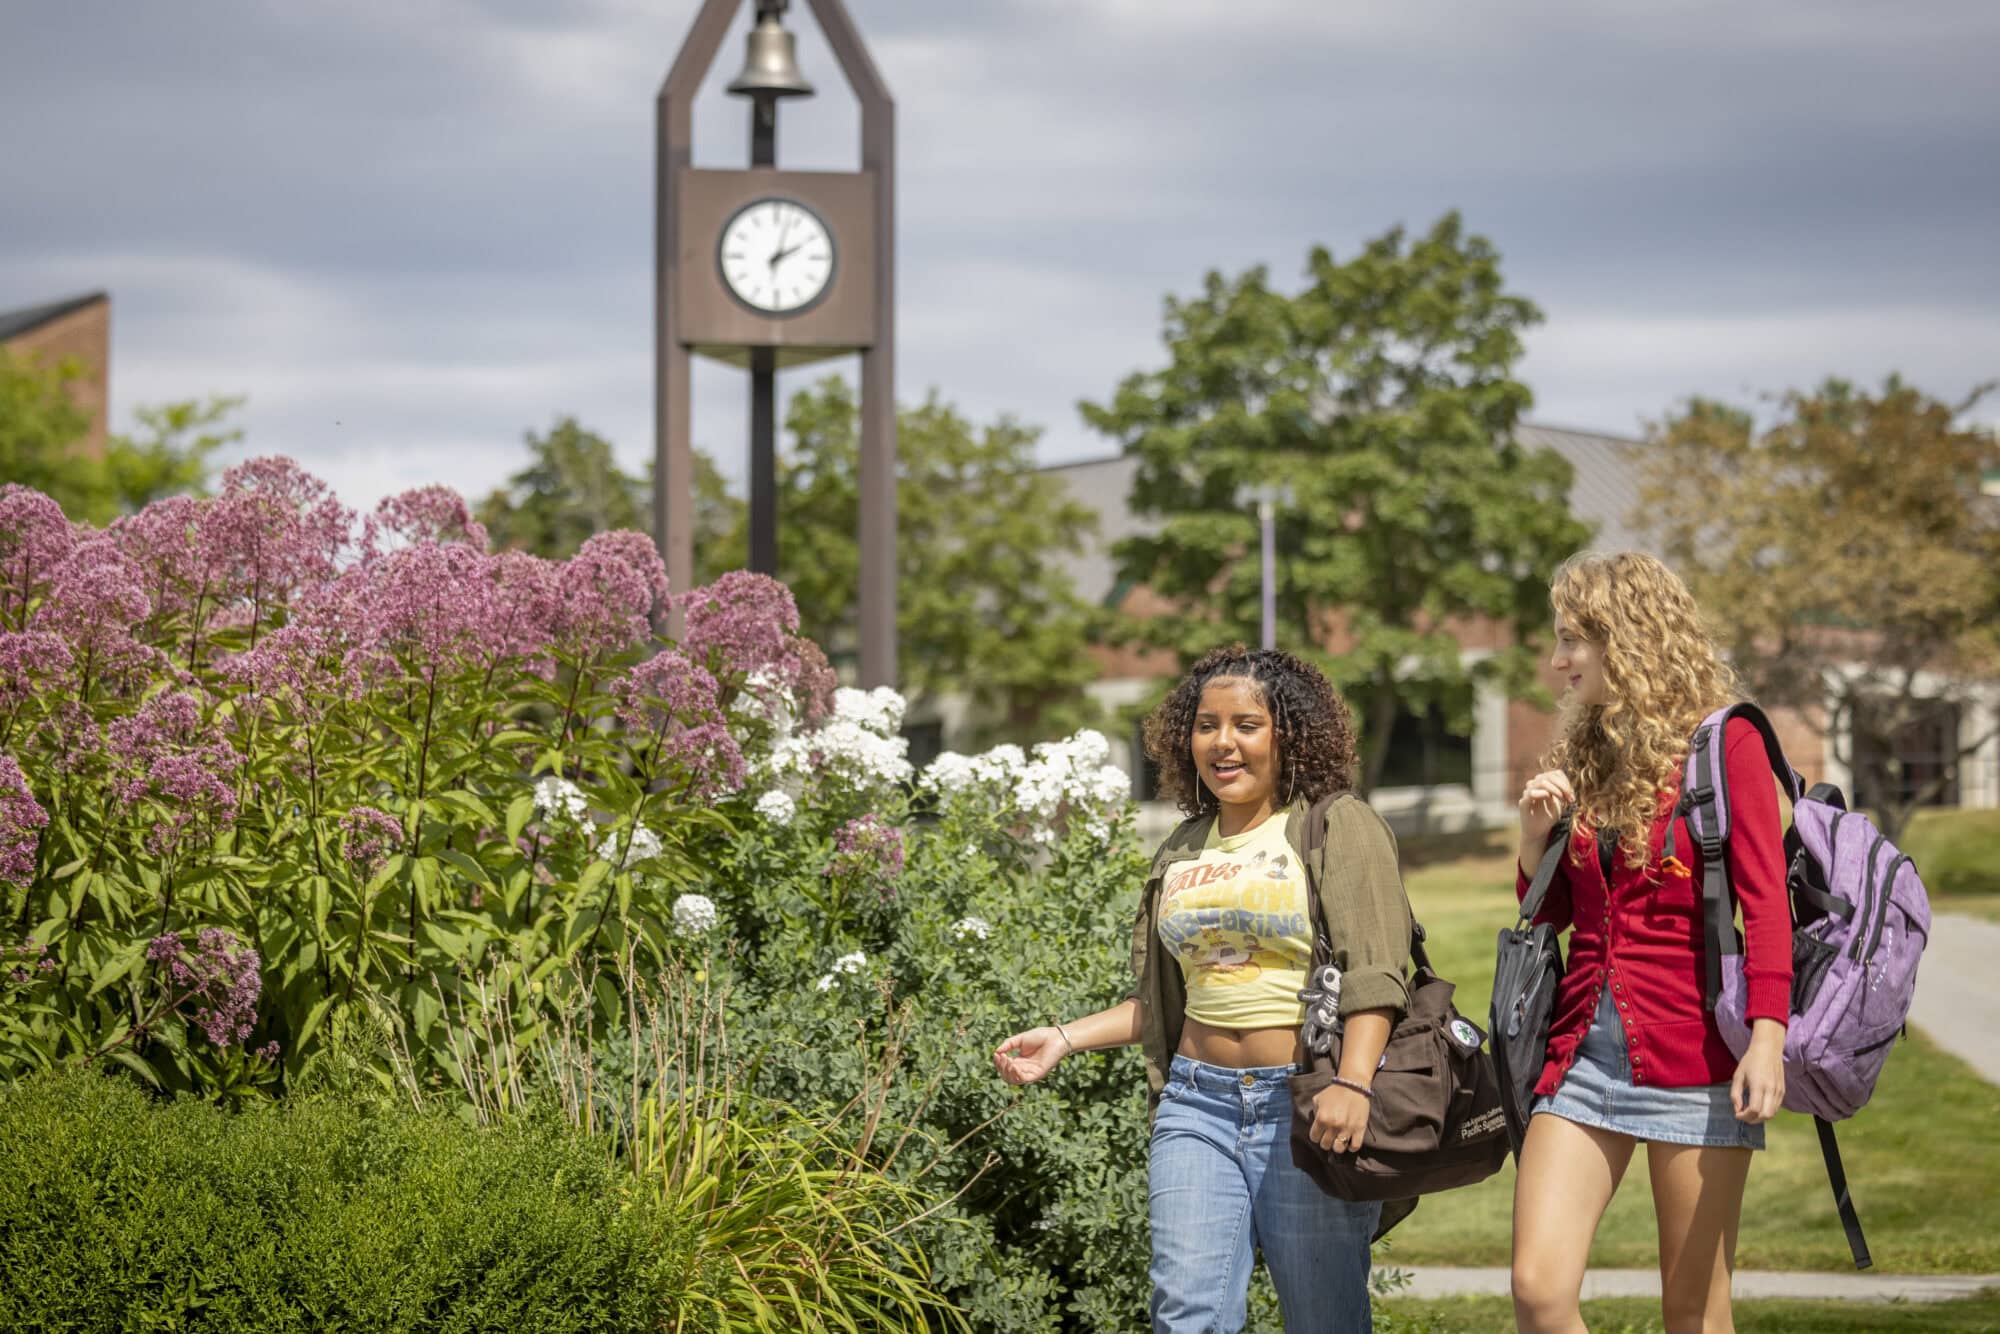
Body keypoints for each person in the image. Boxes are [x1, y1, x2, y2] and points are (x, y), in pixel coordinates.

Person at [994, 645, 1414, 1333]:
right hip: (1195, 1103)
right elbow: (1167, 1000)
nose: (1223, 743)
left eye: (1246, 724)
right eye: (1206, 725)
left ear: (1290, 732)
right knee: (1186, 1313)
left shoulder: (1335, 825)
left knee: (1323, 1318)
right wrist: (1063, 1040)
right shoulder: (1184, 847)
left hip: (1303, 1105)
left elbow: (1377, 973)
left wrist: (1356, 1084)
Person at [1511, 552, 1791, 1334]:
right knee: (1538, 1291)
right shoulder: (1582, 751)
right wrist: (1535, 844)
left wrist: (1767, 1040)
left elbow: (1767, 907)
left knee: (1693, 1314)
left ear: (1627, 639)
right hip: (1580, 1056)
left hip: (1696, 1056)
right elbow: (1551, 917)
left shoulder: (1725, 744)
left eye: (1573, 640)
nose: (1558, 660)